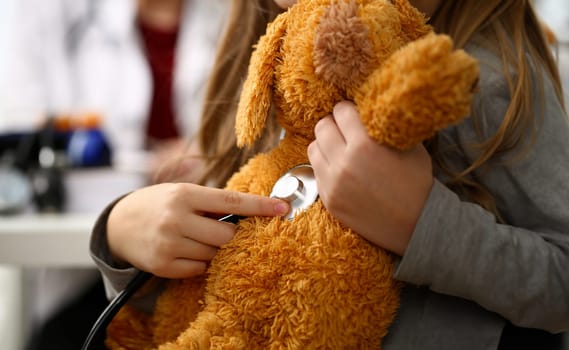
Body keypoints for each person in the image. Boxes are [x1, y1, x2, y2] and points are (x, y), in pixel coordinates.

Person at [90, 0, 569, 349]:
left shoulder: (490, 80)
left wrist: (421, 224)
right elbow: (226, 286)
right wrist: (121, 233)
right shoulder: (274, 68)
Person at [0, 0, 229, 349]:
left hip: (209, 262)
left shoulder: (233, 17)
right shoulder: (52, 15)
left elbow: (257, 138)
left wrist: (209, 155)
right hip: (85, 277)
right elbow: (19, 141)